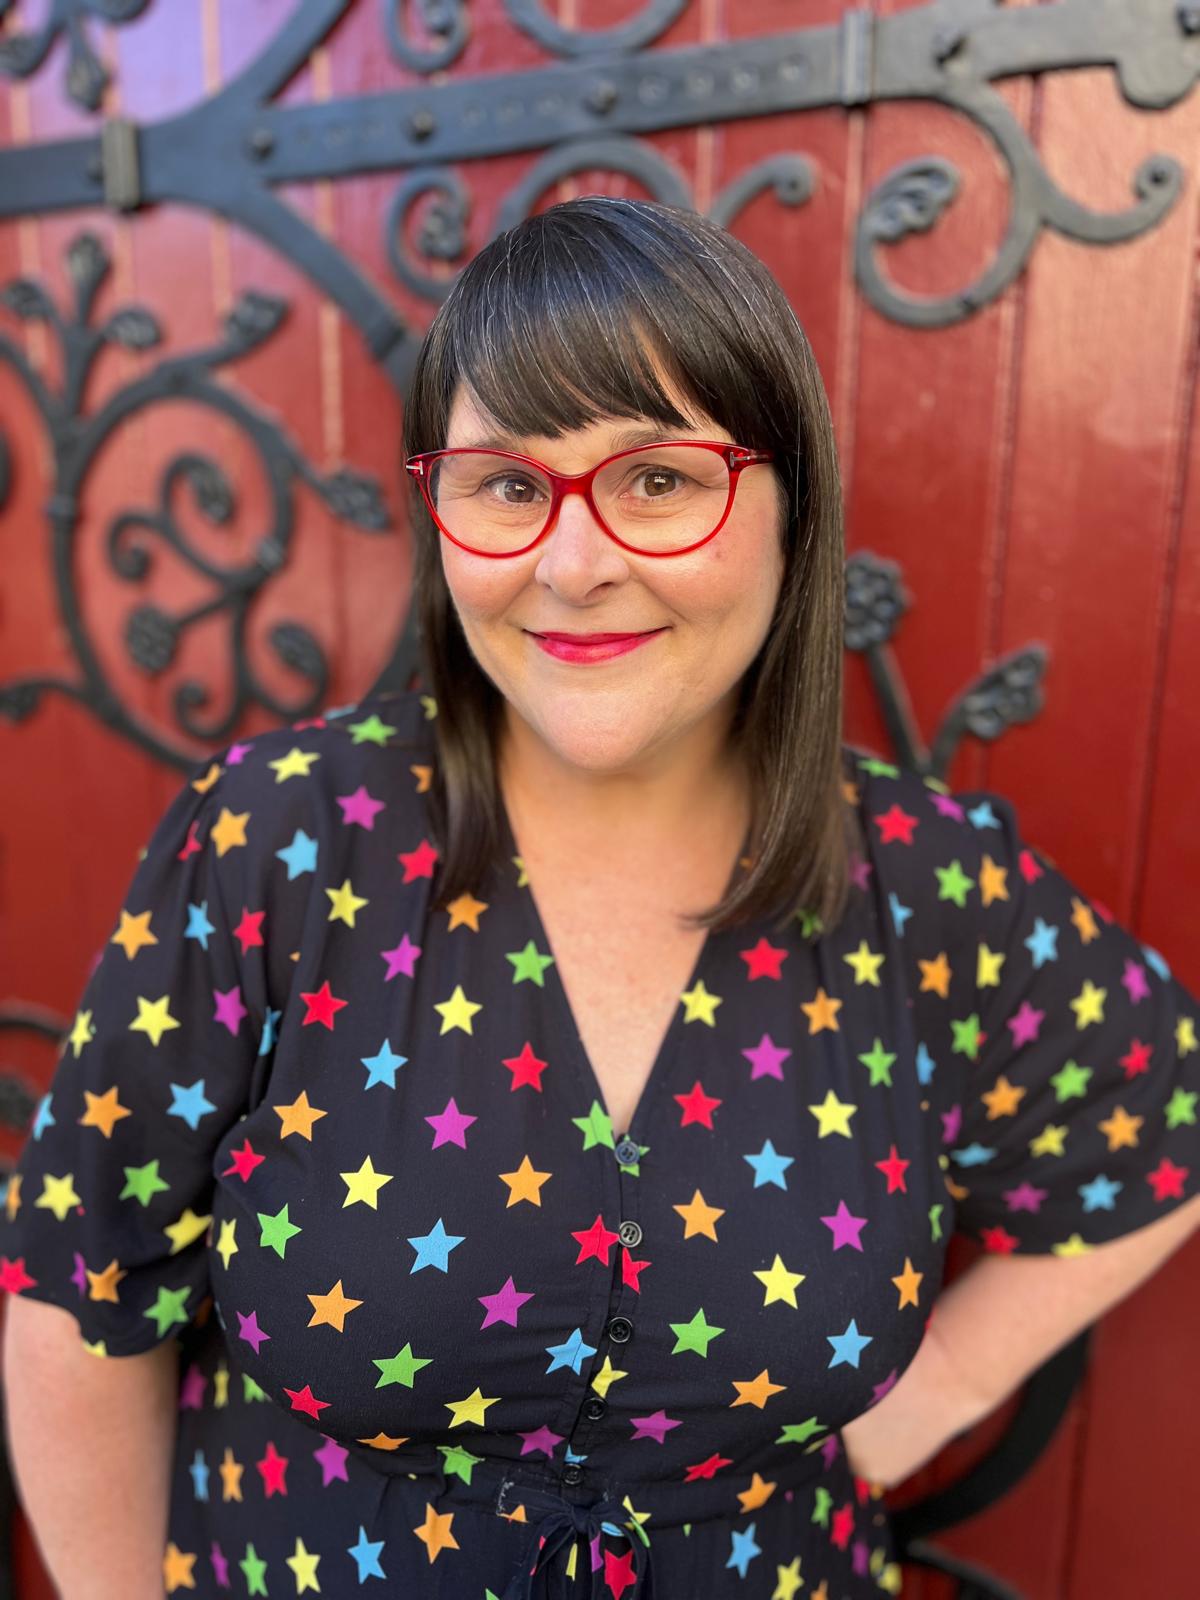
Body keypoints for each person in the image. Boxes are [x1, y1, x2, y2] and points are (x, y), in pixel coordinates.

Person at [2, 194, 1198, 1600]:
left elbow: (1158, 1117)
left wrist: (936, 1393)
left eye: (659, 479)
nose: (573, 567)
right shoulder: (284, 837)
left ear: (792, 506)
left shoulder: (923, 878)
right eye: (508, 486)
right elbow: (80, 1304)